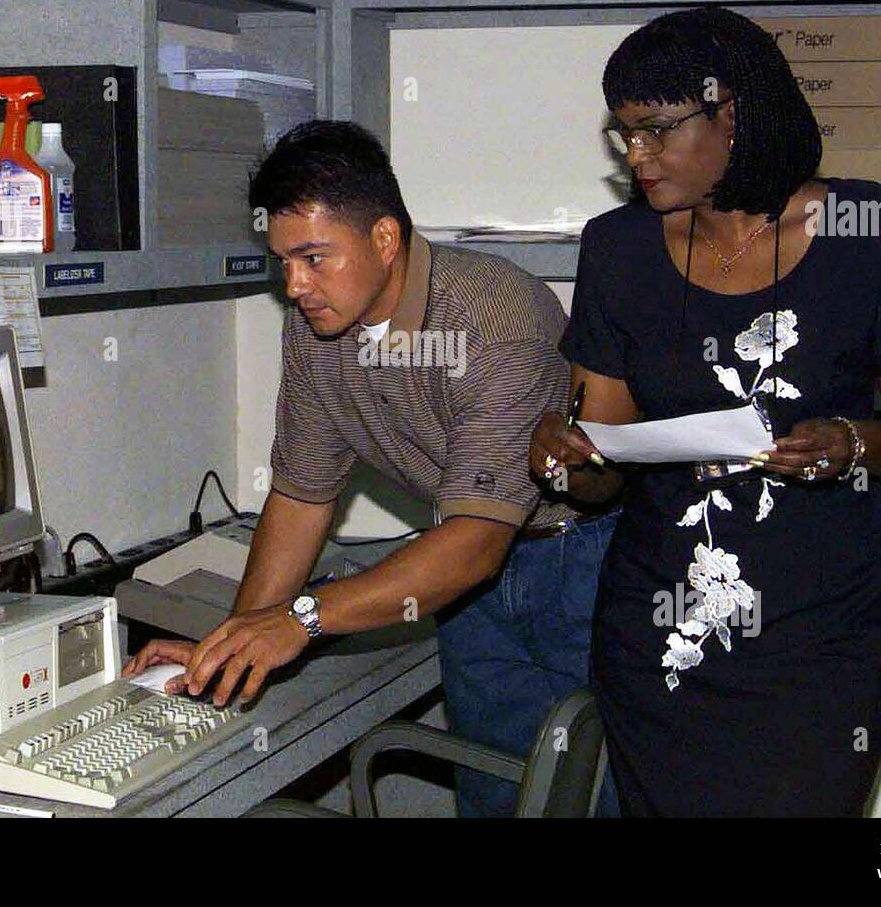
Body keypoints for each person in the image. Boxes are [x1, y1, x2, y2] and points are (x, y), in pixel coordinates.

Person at [530, 7, 881, 817]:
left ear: (730, 114)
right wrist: (569, 459)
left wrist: (852, 442)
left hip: (821, 632)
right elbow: (603, 473)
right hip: (662, 627)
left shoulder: (876, 233)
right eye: (623, 133)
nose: (638, 155)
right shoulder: (617, 248)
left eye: (657, 129)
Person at [125, 120, 619, 817]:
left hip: (583, 560)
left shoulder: (492, 319)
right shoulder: (317, 329)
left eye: (314, 257)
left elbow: (476, 544)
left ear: (384, 239)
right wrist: (235, 641)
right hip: (468, 576)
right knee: (499, 790)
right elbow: (301, 496)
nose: (294, 285)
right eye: (282, 261)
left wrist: (298, 620)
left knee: (606, 786)